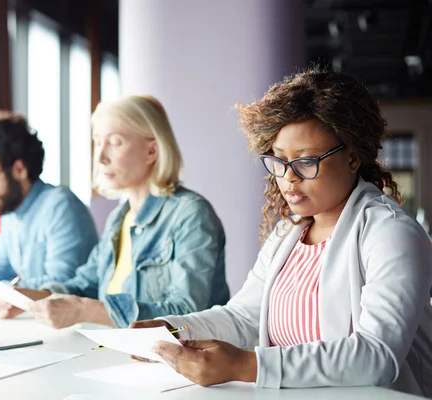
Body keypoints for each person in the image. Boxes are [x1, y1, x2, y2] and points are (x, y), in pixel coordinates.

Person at [131, 69, 432, 397]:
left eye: (306, 162)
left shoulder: (391, 234)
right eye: (278, 161)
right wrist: (173, 328)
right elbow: (243, 317)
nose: (288, 178)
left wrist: (247, 366)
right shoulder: (289, 233)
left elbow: (377, 356)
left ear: (352, 157)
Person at [0, 95, 230, 328]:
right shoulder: (120, 218)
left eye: (115, 142)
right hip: (121, 353)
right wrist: (29, 298)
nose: (100, 157)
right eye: (98, 142)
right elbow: (86, 285)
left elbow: (186, 313)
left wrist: (84, 310)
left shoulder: (191, 215)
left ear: (152, 151)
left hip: (176, 363)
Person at [0, 112, 98, 308]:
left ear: (19, 170)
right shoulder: (10, 211)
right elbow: (1, 268)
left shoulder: (60, 206)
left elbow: (62, 282)